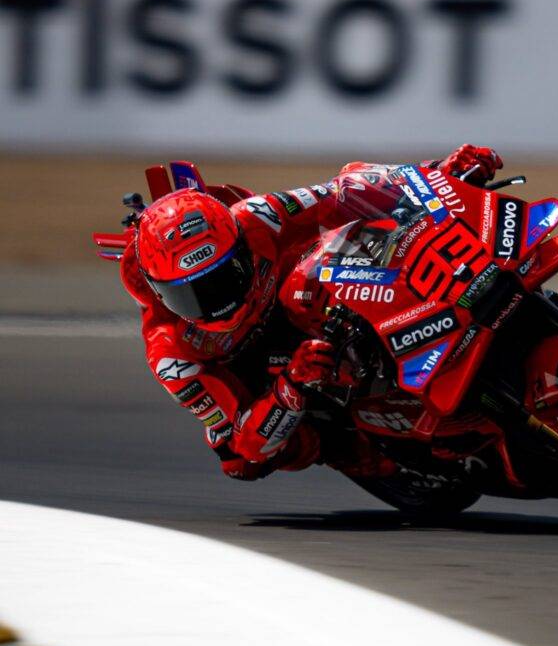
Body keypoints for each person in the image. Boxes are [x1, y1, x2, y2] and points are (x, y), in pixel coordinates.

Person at [119, 145, 502, 481]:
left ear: (240, 245)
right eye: (189, 295)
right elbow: (246, 442)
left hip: (315, 294)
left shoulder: (258, 216)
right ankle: (349, 451)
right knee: (240, 463)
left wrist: (439, 171)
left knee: (360, 210)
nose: (216, 301)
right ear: (158, 292)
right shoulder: (170, 352)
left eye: (223, 277)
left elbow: (346, 190)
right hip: (263, 375)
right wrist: (291, 385)